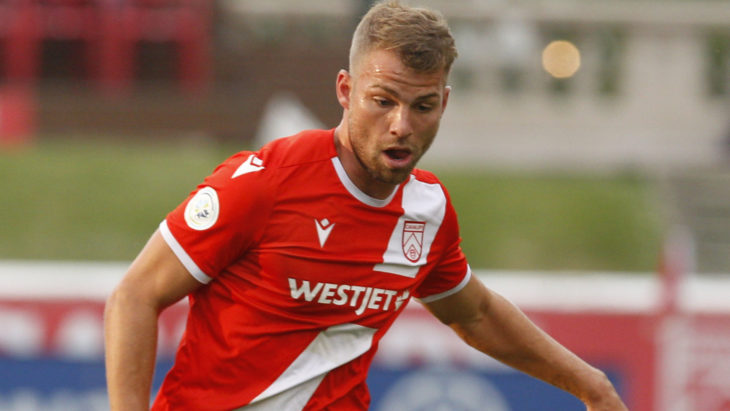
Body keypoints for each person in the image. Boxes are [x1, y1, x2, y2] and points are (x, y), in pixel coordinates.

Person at [104, 1, 628, 410]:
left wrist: (591, 386)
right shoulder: (266, 182)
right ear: (345, 90)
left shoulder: (428, 211)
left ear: (443, 103)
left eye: (422, 106)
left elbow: (477, 313)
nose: (402, 125)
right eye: (383, 101)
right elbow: (134, 296)